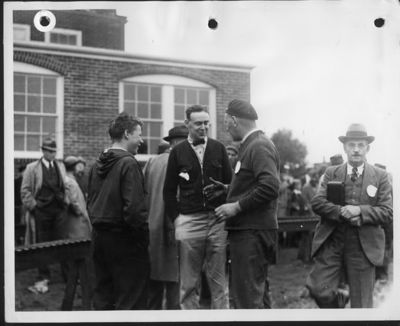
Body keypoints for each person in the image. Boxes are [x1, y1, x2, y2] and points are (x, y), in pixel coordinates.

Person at [306, 123, 393, 308]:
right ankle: (339, 301)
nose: (356, 150)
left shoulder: (380, 176)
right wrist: (341, 212)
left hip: (363, 245)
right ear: (345, 147)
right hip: (334, 240)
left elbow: (387, 211)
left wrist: (360, 211)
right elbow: (317, 202)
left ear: (367, 148)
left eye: (360, 145)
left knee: (362, 303)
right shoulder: (332, 172)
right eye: (352, 145)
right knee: (319, 289)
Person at [213, 99, 280, 309]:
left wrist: (236, 206)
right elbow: (253, 183)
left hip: (251, 234)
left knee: (247, 300)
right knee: (256, 296)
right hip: (251, 232)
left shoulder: (258, 146)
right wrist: (227, 189)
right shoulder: (252, 145)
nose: (226, 128)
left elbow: (270, 186)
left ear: (234, 120)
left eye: (225, 122)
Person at [163, 105, 232, 309]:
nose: (203, 127)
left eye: (206, 123)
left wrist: (225, 202)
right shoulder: (177, 152)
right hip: (189, 222)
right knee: (189, 285)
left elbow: (231, 184)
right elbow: (168, 191)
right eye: (198, 123)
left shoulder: (218, 148)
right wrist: (177, 219)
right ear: (187, 124)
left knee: (219, 284)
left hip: (216, 221)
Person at [87, 112, 149, 310]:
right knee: (130, 299)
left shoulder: (97, 164)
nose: (142, 140)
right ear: (126, 134)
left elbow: (91, 201)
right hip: (125, 239)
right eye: (139, 134)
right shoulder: (129, 163)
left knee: (103, 295)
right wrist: (141, 238)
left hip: (99, 238)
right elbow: (134, 210)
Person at [143, 125, 188, 310]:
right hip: (176, 229)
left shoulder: (152, 163)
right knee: (175, 288)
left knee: (154, 283)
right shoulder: (183, 163)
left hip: (153, 228)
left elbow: (144, 195)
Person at [20, 137, 68, 293]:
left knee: (63, 242)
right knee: (42, 244)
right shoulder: (32, 168)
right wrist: (34, 207)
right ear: (43, 151)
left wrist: (65, 202)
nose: (52, 154)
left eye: (54, 152)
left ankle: (67, 275)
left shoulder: (60, 166)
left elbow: (64, 187)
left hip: (59, 210)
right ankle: (43, 276)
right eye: (49, 151)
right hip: (42, 211)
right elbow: (25, 191)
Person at [58, 156, 92, 240]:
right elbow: (73, 201)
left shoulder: (66, 179)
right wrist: (81, 213)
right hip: (77, 221)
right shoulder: (70, 182)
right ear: (74, 167)